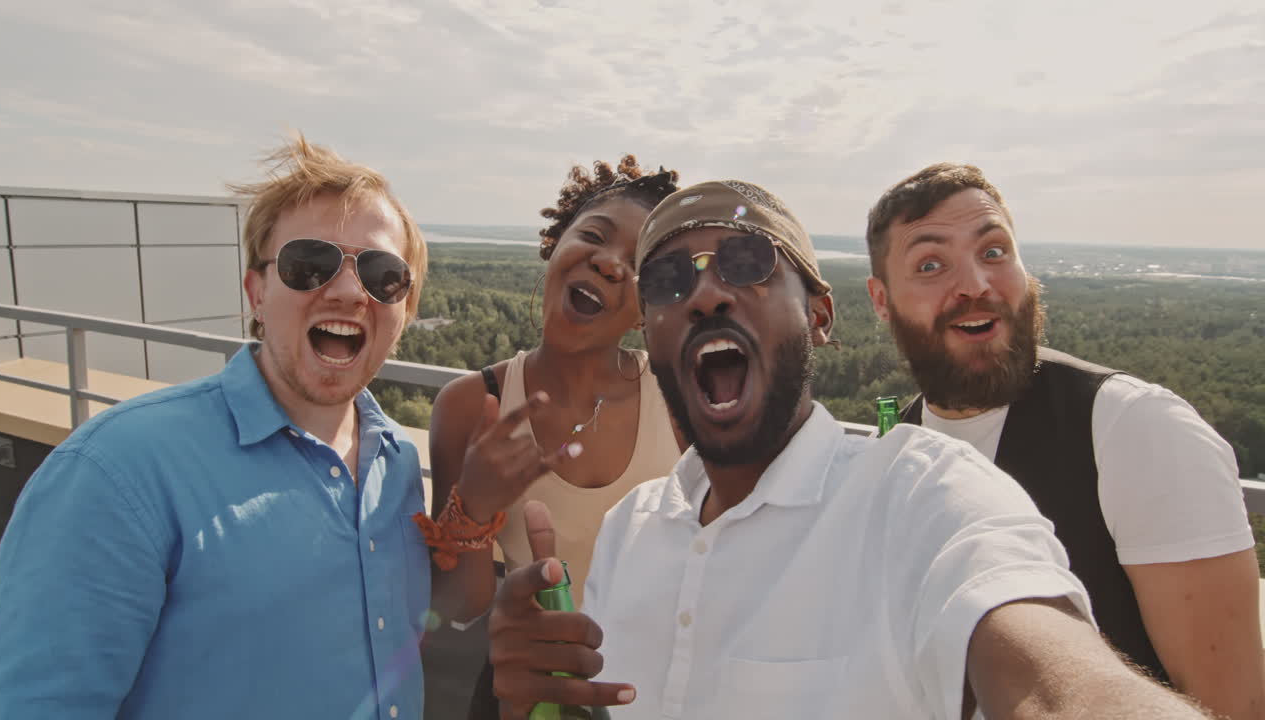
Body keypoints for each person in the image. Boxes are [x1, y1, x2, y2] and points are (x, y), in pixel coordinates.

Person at [485, 179, 1215, 719]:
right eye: (669, 281)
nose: (706, 295)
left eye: (746, 261)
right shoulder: (629, 530)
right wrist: (539, 698)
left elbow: (1055, 682)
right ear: (651, 332)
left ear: (820, 315)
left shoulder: (921, 496)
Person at [0, 135, 432, 720]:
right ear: (256, 292)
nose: (350, 291)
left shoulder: (397, 460)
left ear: (405, 309)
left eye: (383, 273)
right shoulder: (118, 471)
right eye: (309, 264)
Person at [864, 163, 1263, 718]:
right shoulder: (898, 452)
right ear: (882, 301)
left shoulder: (1134, 430)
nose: (975, 284)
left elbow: (1231, 707)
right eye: (931, 264)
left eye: (994, 251)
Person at [422, 156, 684, 715]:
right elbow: (458, 606)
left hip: (651, 694)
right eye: (594, 236)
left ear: (650, 308)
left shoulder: (678, 400)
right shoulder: (472, 405)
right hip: (526, 694)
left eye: (640, 264)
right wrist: (473, 507)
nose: (610, 263)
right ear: (556, 244)